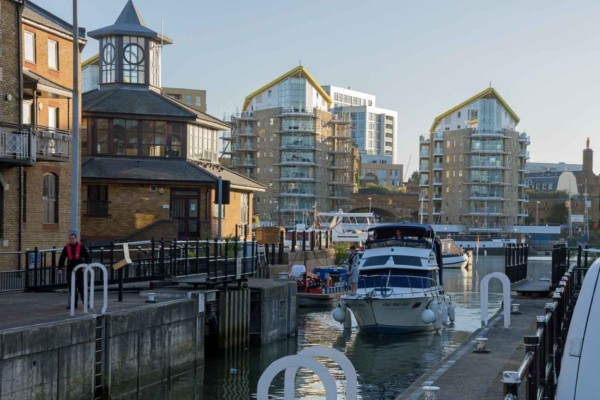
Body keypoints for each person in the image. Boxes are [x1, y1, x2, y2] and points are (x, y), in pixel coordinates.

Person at [58, 232, 90, 308]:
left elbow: (87, 256)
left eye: (73, 238)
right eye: (70, 239)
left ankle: (86, 303)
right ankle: (74, 304)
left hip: (80, 267)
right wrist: (60, 268)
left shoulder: (81, 246)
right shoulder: (66, 248)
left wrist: (85, 266)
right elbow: (62, 258)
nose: (71, 240)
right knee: (72, 286)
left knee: (81, 286)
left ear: (76, 239)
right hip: (71, 267)